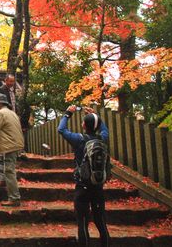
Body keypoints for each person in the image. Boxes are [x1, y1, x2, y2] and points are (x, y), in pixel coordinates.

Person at [58, 105, 110, 247]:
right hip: (98, 186)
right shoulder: (103, 138)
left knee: (82, 223)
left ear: (84, 125)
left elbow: (61, 130)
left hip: (83, 187)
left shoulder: (79, 139)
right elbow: (105, 129)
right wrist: (96, 116)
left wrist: (68, 113)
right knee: (101, 223)